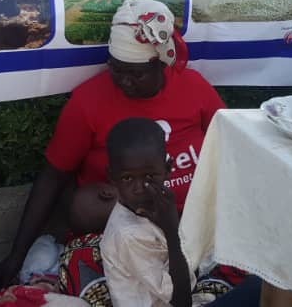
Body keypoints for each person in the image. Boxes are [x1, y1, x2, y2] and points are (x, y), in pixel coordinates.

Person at [0, 0, 224, 289]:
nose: (124, 82)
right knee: (86, 205)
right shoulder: (88, 102)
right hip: (128, 225)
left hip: (193, 218)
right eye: (117, 69)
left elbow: (228, 147)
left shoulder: (193, 87)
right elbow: (53, 175)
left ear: (162, 64)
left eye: (136, 73)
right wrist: (15, 255)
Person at [101, 118, 262, 307]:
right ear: (112, 177)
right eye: (127, 178)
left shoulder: (153, 206)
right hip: (178, 299)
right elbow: (181, 301)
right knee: (259, 287)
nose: (139, 188)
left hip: (179, 286)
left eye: (150, 176)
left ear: (168, 170)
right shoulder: (128, 235)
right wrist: (171, 230)